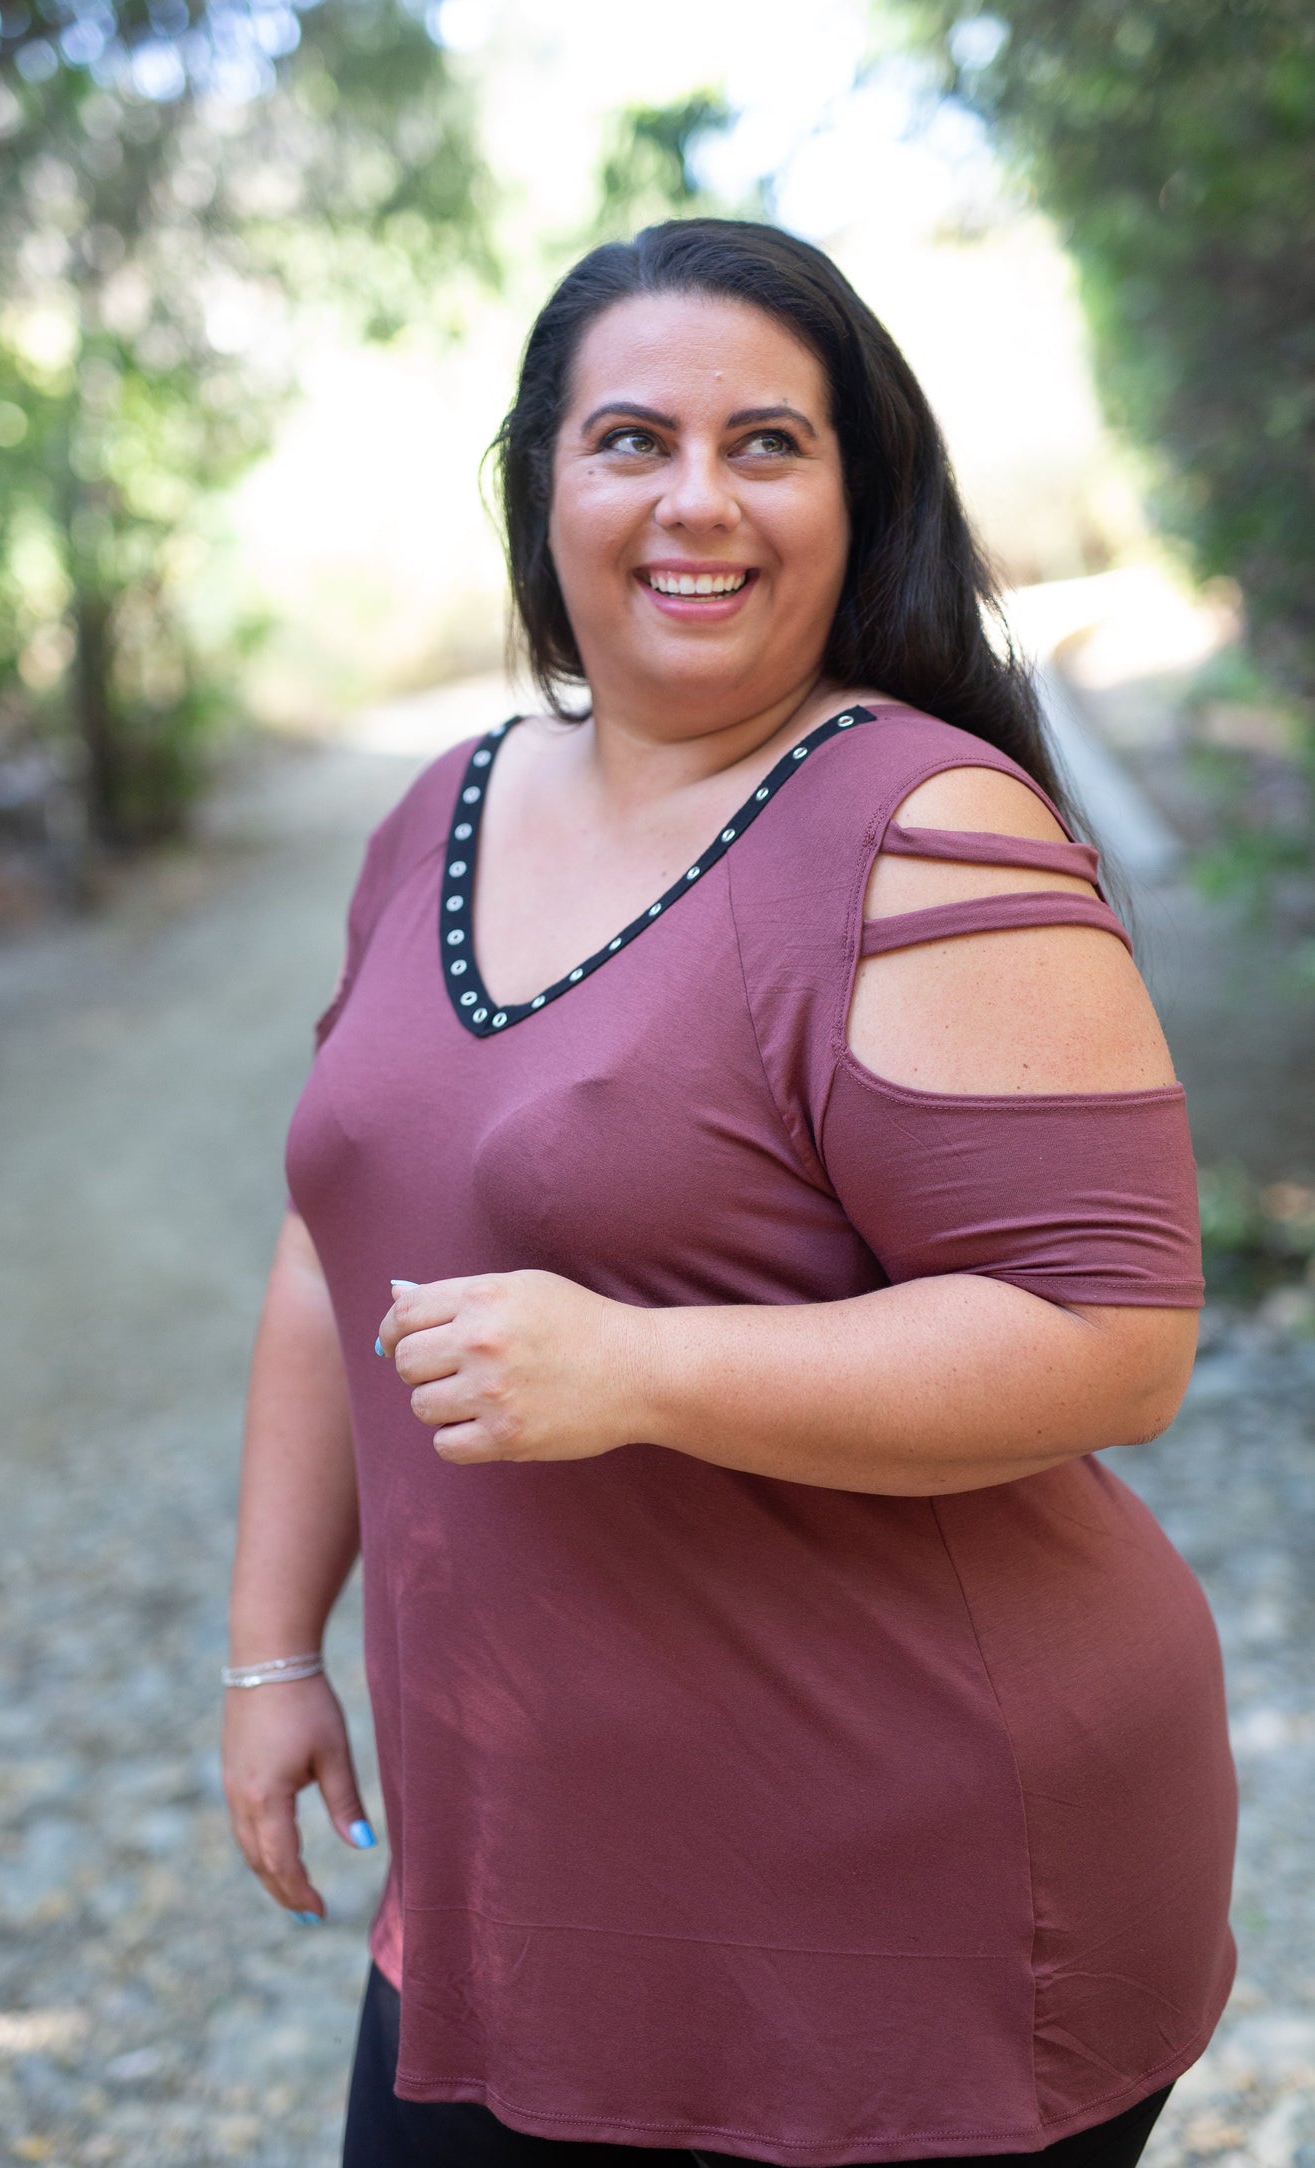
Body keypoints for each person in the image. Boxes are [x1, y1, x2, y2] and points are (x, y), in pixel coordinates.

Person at [221, 219, 1237, 2168]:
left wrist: (642, 1371)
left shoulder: (924, 828)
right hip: (518, 1855)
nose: (700, 498)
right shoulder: (438, 809)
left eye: (769, 441)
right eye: (631, 440)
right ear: (544, 491)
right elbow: (326, 1232)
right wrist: (274, 1645)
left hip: (907, 1874)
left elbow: (1109, 1341)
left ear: (859, 495)